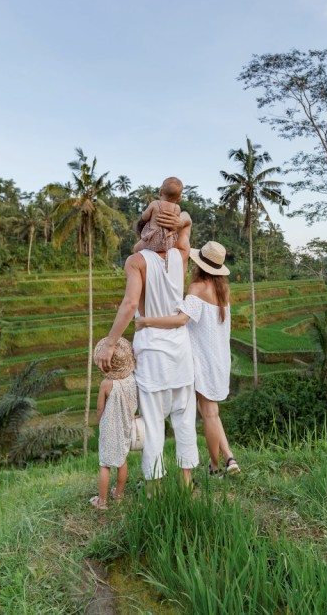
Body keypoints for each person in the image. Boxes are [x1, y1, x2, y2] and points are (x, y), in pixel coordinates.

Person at [95, 208, 196, 486]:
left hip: (152, 351)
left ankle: (154, 490)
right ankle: (186, 485)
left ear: (143, 232)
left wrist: (110, 344)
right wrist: (179, 221)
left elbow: (130, 304)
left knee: (153, 424)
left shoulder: (136, 261)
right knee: (184, 420)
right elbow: (186, 222)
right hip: (180, 349)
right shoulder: (182, 254)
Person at [136, 241, 239, 476]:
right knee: (212, 412)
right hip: (220, 356)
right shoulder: (222, 289)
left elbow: (182, 320)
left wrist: (146, 321)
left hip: (202, 358)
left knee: (209, 413)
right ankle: (229, 458)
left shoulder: (197, 288)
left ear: (198, 264)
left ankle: (214, 468)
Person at [90, 337, 138, 510]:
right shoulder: (133, 380)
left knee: (105, 464)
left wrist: (101, 424)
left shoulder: (106, 384)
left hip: (110, 426)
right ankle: (118, 495)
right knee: (122, 459)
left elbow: (99, 409)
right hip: (126, 425)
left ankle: (101, 501)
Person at [132, 177, 191, 265]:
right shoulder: (177, 208)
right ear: (179, 198)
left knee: (136, 248)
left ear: (160, 192)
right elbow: (175, 222)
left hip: (152, 241)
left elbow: (144, 217)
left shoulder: (155, 204)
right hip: (168, 242)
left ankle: (140, 264)